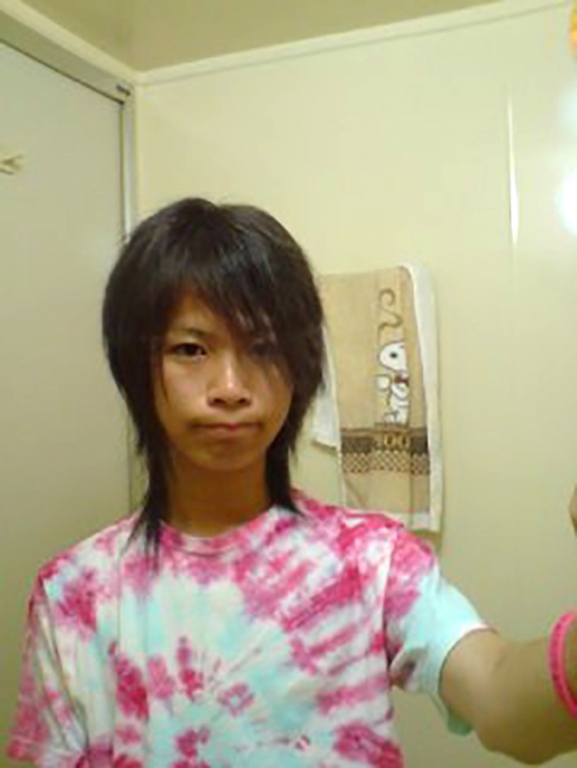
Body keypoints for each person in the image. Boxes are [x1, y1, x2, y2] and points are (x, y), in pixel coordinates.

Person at [7, 198, 577, 767]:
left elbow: (505, 707)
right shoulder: (75, 594)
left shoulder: (371, 561)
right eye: (191, 349)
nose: (230, 387)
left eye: (263, 348)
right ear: (135, 364)